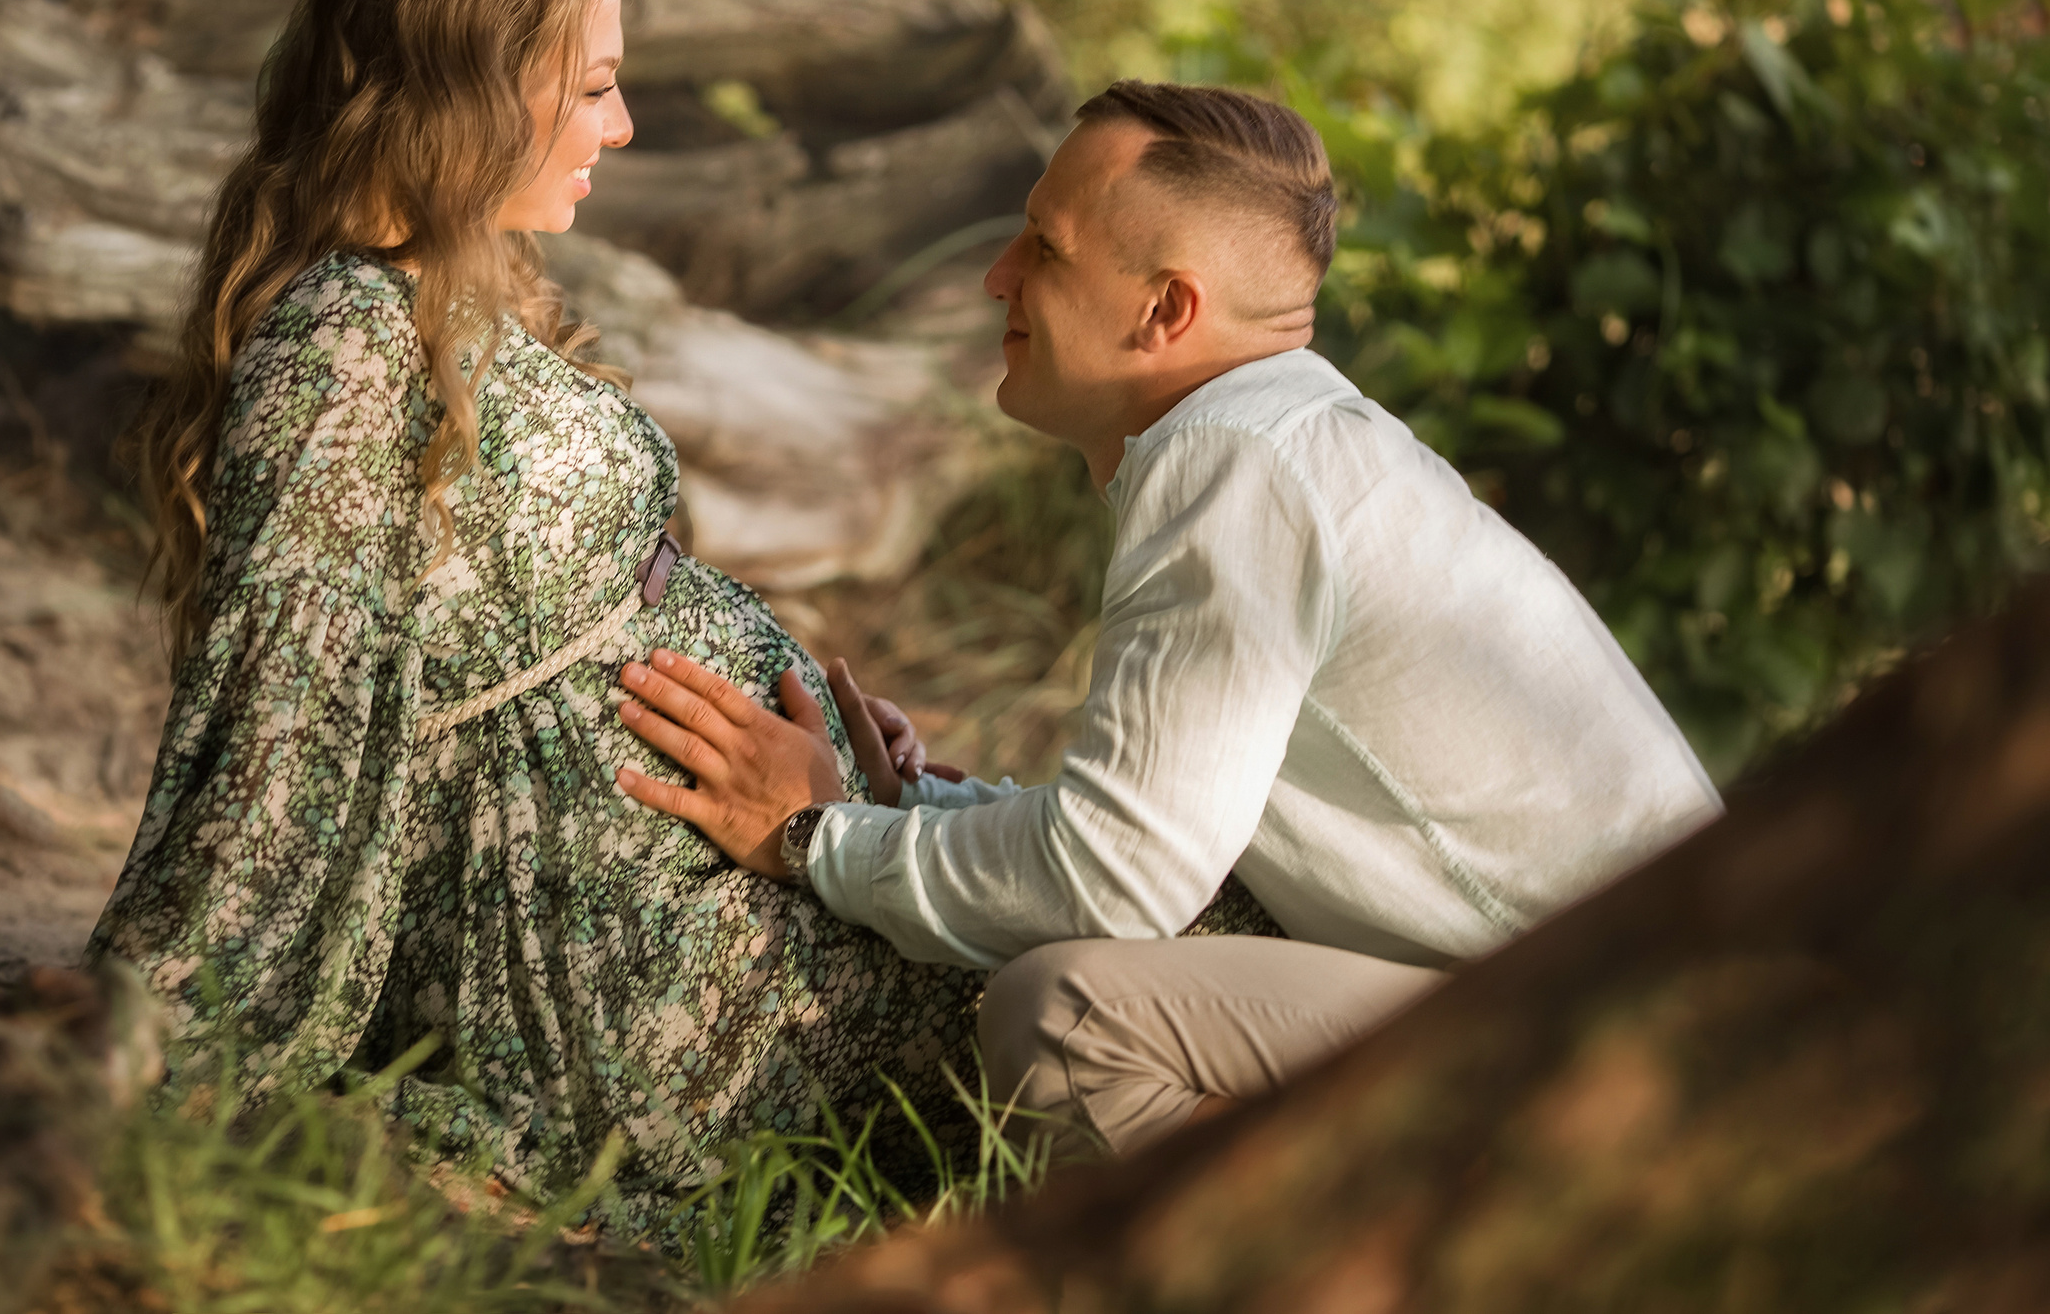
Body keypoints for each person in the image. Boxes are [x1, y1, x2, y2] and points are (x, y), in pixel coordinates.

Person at [84, 0, 978, 1236]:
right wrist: (155, 1033)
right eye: (597, 85)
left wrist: (829, 759)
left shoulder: (437, 295)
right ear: (467, 88)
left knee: (1150, 915)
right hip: (622, 972)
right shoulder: (339, 351)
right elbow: (277, 743)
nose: (619, 129)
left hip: (733, 846)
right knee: (1121, 958)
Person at [615, 80, 1724, 1156]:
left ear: (1166, 310)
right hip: (1614, 1017)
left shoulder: (1232, 462)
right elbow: (1176, 843)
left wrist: (817, 837)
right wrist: (925, 804)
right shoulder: (1284, 438)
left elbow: (1119, 878)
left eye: (1042, 249)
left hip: (1617, 1057)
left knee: (1065, 1022)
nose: (996, 279)